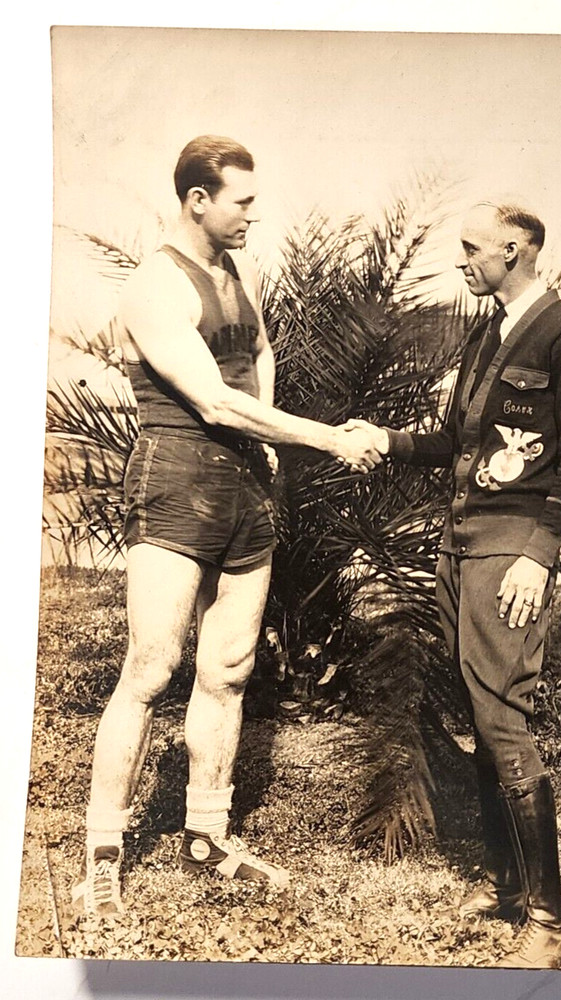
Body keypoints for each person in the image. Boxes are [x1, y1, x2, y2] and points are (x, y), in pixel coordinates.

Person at [72, 135, 384, 916]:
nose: (252, 214)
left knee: (230, 669)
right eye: (241, 201)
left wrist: (268, 448)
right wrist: (325, 439)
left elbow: (260, 353)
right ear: (197, 200)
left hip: (245, 486)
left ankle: (206, 836)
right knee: (151, 668)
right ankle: (103, 851)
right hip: (176, 482)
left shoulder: (236, 272)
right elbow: (212, 401)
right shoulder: (155, 284)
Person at [351, 201, 561, 968]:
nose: (461, 261)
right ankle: (505, 888)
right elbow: (456, 443)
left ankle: (548, 925)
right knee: (479, 717)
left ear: (515, 248)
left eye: (470, 248)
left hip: (509, 553)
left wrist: (538, 554)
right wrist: (385, 439)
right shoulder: (485, 332)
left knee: (503, 719)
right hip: (460, 548)